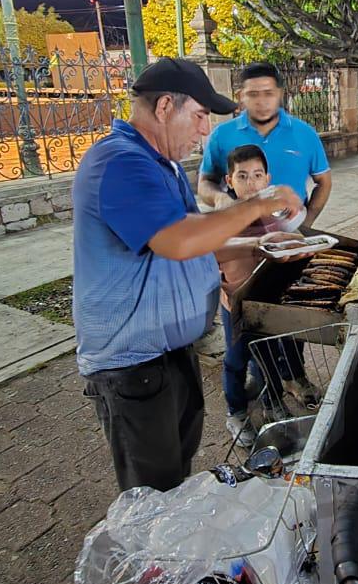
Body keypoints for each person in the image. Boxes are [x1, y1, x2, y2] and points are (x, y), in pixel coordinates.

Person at [72, 58, 302, 493]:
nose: (203, 132)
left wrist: (258, 245)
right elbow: (175, 240)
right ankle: (148, 560)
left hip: (171, 353)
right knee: (152, 492)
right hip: (133, 362)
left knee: (175, 471)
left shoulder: (165, 166)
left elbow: (196, 240)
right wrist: (257, 205)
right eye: (198, 117)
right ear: (164, 107)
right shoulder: (119, 162)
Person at [216, 145, 301, 447]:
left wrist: (297, 241)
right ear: (230, 181)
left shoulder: (274, 216)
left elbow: (292, 242)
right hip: (237, 306)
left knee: (267, 354)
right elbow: (211, 254)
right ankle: (236, 411)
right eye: (242, 176)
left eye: (257, 175)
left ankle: (273, 402)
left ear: (268, 179)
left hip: (269, 304)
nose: (251, 183)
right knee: (237, 360)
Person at [198, 62, 332, 227]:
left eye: (268, 93)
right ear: (241, 96)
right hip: (238, 233)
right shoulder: (221, 135)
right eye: (253, 94)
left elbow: (324, 181)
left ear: (280, 94)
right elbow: (205, 183)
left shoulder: (305, 134)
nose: (261, 102)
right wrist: (219, 198)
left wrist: (306, 222)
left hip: (292, 230)